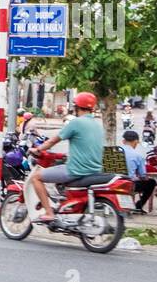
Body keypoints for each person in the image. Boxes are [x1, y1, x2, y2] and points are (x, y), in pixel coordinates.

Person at [26, 91, 104, 222]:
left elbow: (52, 141)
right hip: (95, 169)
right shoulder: (97, 125)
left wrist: (38, 149)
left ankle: (49, 212)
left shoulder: (76, 123)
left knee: (36, 178)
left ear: (76, 107)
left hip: (76, 170)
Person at [121, 130, 155, 213]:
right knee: (151, 183)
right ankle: (138, 206)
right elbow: (143, 175)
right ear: (136, 141)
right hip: (128, 184)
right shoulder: (138, 156)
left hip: (112, 182)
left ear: (123, 141)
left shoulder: (113, 152)